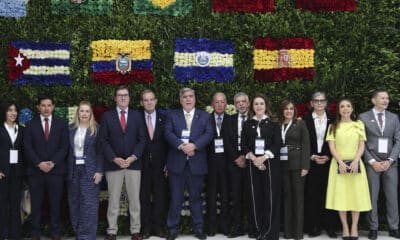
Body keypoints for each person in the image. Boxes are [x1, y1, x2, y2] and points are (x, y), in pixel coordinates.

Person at [164, 88, 213, 240]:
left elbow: (209, 134)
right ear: (180, 100)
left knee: (196, 198)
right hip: (176, 165)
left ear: (195, 99)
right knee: (175, 198)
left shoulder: (205, 116)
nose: (188, 99)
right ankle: (172, 229)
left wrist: (194, 146)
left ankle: (198, 229)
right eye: (185, 97)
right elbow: (168, 133)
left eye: (191, 96)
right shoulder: (172, 115)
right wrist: (182, 146)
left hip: (196, 164)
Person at [100, 86, 146, 240]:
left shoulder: (137, 115)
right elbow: (103, 141)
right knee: (113, 199)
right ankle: (111, 231)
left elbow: (142, 139)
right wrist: (114, 158)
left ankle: (135, 230)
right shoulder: (107, 117)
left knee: (135, 199)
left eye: (125, 95)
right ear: (115, 98)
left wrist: (133, 156)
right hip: (114, 165)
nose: (123, 98)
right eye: (119, 95)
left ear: (129, 98)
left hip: (133, 164)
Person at [24, 94, 69, 240]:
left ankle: (55, 232)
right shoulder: (30, 125)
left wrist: (52, 163)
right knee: (36, 204)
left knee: (55, 204)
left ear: (53, 107)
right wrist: (39, 163)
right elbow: (27, 147)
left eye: (49, 105)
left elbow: (64, 147)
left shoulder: (62, 124)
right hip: (35, 171)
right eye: (43, 105)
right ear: (38, 107)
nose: (46, 108)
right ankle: (35, 232)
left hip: (55, 171)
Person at [326, 98, 371, 239]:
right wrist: (340, 162)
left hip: (355, 165)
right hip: (339, 166)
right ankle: (345, 227)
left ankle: (354, 227)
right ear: (339, 110)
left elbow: (361, 145)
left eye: (348, 106)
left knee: (355, 197)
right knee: (341, 197)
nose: (345, 109)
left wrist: (356, 160)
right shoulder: (333, 126)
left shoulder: (359, 125)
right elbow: (331, 146)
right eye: (342, 107)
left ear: (352, 109)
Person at [359, 90, 400, 240]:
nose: (386, 101)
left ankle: (394, 227)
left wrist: (390, 160)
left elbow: (398, 141)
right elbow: (360, 142)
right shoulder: (363, 117)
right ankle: (373, 227)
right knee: (372, 196)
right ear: (373, 100)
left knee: (392, 197)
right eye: (382, 98)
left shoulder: (394, 118)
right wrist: (372, 161)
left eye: (387, 98)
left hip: (390, 163)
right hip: (372, 163)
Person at [241, 93, 281, 240]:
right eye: (256, 104)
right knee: (255, 197)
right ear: (252, 106)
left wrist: (263, 158)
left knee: (270, 198)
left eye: (261, 104)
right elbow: (243, 145)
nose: (259, 106)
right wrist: (253, 158)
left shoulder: (273, 124)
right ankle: (258, 231)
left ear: (266, 106)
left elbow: (278, 144)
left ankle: (269, 232)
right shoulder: (247, 124)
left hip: (269, 164)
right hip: (252, 165)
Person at [303, 92, 338, 238]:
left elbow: (338, 142)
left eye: (321, 101)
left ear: (326, 103)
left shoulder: (334, 120)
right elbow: (302, 142)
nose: (318, 103)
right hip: (311, 162)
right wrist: (312, 156)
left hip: (329, 162)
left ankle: (330, 227)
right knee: (312, 195)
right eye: (316, 101)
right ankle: (314, 226)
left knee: (330, 194)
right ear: (311, 103)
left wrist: (329, 156)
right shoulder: (304, 120)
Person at [67, 101, 103, 240]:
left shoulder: (97, 129)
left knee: (89, 204)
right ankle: (78, 232)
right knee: (74, 201)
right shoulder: (70, 129)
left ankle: (87, 236)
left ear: (91, 114)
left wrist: (99, 171)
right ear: (77, 113)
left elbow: (101, 152)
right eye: (81, 111)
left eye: (87, 111)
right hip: (73, 170)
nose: (84, 114)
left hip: (90, 171)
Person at [278, 100, 310, 239]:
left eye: (291, 108)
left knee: (298, 198)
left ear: (294, 110)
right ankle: (288, 231)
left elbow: (306, 144)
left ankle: (298, 233)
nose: (289, 111)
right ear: (282, 111)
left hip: (298, 165)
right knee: (287, 197)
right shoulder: (277, 124)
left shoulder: (300, 123)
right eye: (286, 109)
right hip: (282, 165)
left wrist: (305, 166)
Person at [139, 89, 168, 239]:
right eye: (146, 100)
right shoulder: (137, 118)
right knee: (143, 197)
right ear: (142, 102)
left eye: (151, 99)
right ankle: (146, 228)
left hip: (160, 165)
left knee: (160, 197)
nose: (149, 102)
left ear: (156, 101)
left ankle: (158, 227)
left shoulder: (164, 118)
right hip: (142, 165)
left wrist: (168, 163)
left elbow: (169, 142)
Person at [225, 92, 250, 238]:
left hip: (251, 163)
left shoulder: (254, 119)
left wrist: (247, 157)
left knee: (251, 196)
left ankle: (252, 226)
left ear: (248, 103)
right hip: (235, 164)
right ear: (234, 105)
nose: (241, 104)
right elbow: (226, 142)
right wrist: (237, 158)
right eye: (238, 102)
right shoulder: (229, 120)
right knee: (236, 196)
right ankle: (237, 226)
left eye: (243, 101)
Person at [206, 92, 230, 236]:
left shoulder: (232, 120)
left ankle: (225, 226)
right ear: (212, 104)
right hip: (210, 164)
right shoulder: (206, 119)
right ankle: (212, 227)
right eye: (217, 102)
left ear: (226, 104)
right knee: (211, 196)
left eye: (222, 102)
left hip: (227, 164)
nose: (220, 104)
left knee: (226, 197)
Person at [0, 101, 24, 240]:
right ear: (4, 112)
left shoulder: (21, 129)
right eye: (10, 110)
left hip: (17, 173)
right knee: (2, 205)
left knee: (16, 205)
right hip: (2, 173)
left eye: (15, 110)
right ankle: (3, 235)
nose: (13, 113)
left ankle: (15, 235)